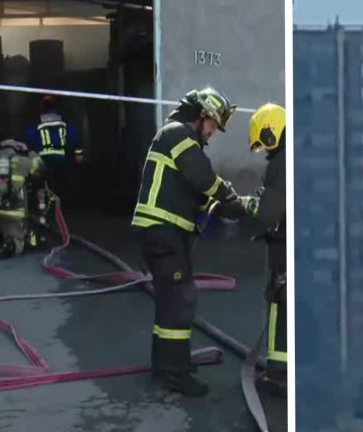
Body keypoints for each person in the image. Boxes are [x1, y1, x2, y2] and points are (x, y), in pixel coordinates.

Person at [132, 87, 253, 398]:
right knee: (180, 301)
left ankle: (168, 364)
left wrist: (220, 207)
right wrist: (228, 196)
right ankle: (174, 374)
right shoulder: (177, 134)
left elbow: (196, 193)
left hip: (166, 235)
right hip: (162, 233)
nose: (212, 134)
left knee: (173, 301)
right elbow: (203, 178)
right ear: (202, 116)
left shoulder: (182, 142)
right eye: (213, 125)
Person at [221, 103, 287, 396]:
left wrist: (244, 205)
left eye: (263, 142)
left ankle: (278, 376)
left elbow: (270, 214)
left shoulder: (280, 163)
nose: (264, 149)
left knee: (279, 307)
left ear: (271, 132)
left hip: (284, 250)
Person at [0, 134, 45, 260]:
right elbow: (40, 166)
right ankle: (9, 244)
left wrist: (1, 143)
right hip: (14, 212)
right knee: (18, 244)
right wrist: (28, 150)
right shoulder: (22, 162)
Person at [25, 95, 81, 206]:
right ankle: (59, 206)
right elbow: (73, 137)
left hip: (42, 156)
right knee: (60, 182)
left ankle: (42, 205)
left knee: (40, 182)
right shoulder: (64, 119)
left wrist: (29, 155)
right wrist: (78, 153)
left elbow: (30, 139)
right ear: (56, 107)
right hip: (60, 156)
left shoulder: (36, 121)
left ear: (42, 107)